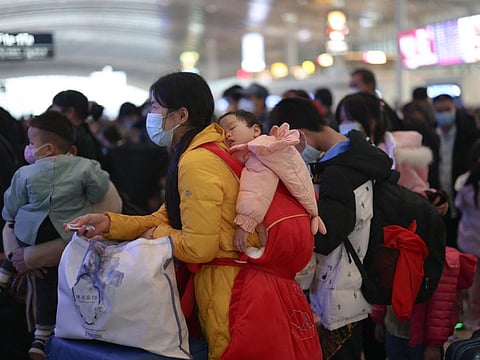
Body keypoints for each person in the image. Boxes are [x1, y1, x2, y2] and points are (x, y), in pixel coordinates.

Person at [65, 71, 323, 360]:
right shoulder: (210, 149)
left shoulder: (198, 161)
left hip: (233, 291)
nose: (151, 115)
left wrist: (154, 237)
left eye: (155, 108)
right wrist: (110, 223)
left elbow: (199, 247)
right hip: (243, 282)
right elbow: (170, 217)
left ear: (181, 115)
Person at [268, 96, 394, 360]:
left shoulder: (340, 170)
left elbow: (327, 235)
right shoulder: (352, 156)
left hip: (339, 296)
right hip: (344, 287)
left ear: (298, 135)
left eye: (289, 146)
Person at [1, 111, 111, 360]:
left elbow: (11, 205)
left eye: (31, 144)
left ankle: (5, 273)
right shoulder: (85, 166)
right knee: (48, 283)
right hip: (65, 233)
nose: (28, 149)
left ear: (47, 149)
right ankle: (41, 337)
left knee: (19, 238)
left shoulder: (24, 173)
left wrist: (11, 220)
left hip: (29, 231)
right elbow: (100, 191)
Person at [217, 109, 325, 252]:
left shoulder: (259, 152)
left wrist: (245, 224)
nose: (227, 135)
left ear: (255, 130)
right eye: (223, 133)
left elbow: (256, 189)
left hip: (279, 227)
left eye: (232, 128)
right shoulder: (272, 149)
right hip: (298, 223)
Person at [432, 94, 480, 249]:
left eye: (447, 109)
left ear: (455, 109)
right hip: (440, 199)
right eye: (440, 111)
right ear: (434, 112)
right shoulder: (431, 135)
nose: (444, 114)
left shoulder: (468, 133)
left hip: (463, 202)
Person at [455, 140, 480, 330]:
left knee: (469, 282)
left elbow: (458, 206)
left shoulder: (464, 181)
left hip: (468, 238)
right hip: (472, 239)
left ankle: (468, 318)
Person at [50, 89, 104, 164]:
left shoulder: (69, 137)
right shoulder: (88, 134)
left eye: (54, 109)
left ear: (70, 112)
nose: (51, 115)